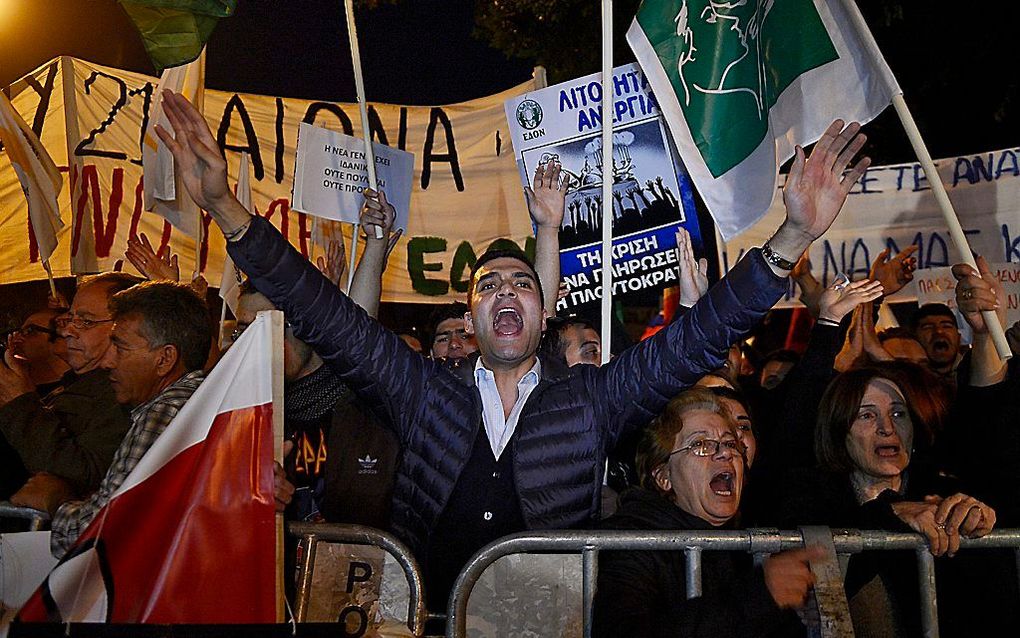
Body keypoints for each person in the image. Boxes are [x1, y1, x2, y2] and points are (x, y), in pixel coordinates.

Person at [157, 89, 871, 607]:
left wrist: (791, 238)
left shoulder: (591, 401)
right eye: (488, 283)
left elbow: (695, 339)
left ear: (541, 308)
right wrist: (225, 206)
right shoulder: (420, 388)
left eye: (522, 282)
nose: (505, 290)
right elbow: (324, 312)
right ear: (470, 313)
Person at [779, 366, 998, 636]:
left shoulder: (942, 494)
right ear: (838, 430)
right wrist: (888, 513)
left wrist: (978, 526)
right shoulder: (808, 495)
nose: (887, 428)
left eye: (898, 413)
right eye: (867, 415)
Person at [592, 389, 814, 638]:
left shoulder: (742, 544)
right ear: (664, 477)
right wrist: (758, 597)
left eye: (730, 444)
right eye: (699, 445)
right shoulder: (631, 543)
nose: (725, 453)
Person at [49, 281, 217, 555]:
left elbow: (105, 530)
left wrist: (54, 499)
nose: (108, 362)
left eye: (121, 348)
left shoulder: (165, 413)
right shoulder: (201, 401)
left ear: (165, 359)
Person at [0, 274, 137, 506]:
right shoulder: (79, 383)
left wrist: (19, 402)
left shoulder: (121, 391)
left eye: (86, 321)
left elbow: (84, 474)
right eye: (70, 318)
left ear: (124, 328)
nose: (67, 331)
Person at [6, 307, 70, 396]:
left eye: (30, 331)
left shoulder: (83, 387)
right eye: (19, 332)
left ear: (62, 338)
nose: (15, 339)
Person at [911, 303, 965, 383]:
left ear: (959, 337)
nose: (939, 331)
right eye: (928, 327)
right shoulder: (906, 379)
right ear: (914, 339)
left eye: (947, 326)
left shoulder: (977, 373)